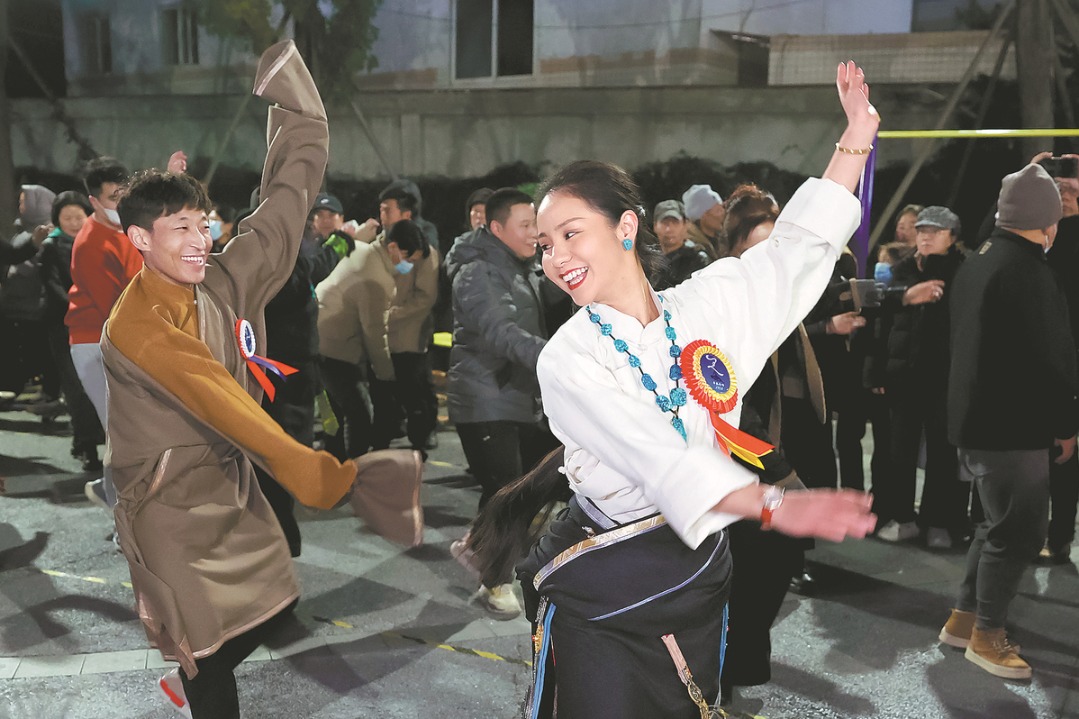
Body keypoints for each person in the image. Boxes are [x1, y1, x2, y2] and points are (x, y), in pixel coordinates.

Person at [517, 61, 878, 718]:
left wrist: (855, 136)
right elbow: (658, 457)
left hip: (696, 578)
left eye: (570, 233)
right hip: (611, 587)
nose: (554, 257)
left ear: (625, 228)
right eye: (544, 244)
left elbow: (790, 254)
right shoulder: (569, 358)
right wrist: (769, 503)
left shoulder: (702, 306)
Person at [101, 41, 357, 718]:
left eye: (201, 223)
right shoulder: (136, 325)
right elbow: (217, 397)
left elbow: (283, 204)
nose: (197, 238)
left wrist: (299, 112)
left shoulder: (220, 280)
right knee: (210, 656)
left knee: (280, 602)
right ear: (137, 240)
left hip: (226, 488)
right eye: (177, 227)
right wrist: (304, 466)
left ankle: (186, 674)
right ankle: (191, 677)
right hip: (166, 508)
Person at [939, 163, 1076, 680]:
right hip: (1012, 426)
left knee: (993, 525)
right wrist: (1065, 423)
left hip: (976, 419)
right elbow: (1052, 359)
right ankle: (987, 636)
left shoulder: (980, 260)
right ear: (1047, 221)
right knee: (1018, 532)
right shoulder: (1030, 271)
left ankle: (963, 619)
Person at [446, 187, 559, 618]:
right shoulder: (477, 272)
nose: (535, 233)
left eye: (537, 224)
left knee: (529, 481)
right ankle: (495, 581)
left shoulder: (522, 266)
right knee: (508, 492)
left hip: (513, 395)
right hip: (485, 398)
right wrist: (555, 357)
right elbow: (499, 331)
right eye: (526, 225)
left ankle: (476, 545)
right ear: (496, 228)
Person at [872, 206, 966, 548]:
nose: (925, 235)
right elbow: (881, 326)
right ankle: (903, 517)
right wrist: (876, 373)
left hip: (944, 379)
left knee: (943, 454)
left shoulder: (963, 273)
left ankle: (937, 522)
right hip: (903, 378)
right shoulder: (902, 270)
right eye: (923, 229)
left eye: (936, 231)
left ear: (952, 237)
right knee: (900, 453)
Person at [316, 218, 430, 458]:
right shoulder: (376, 279)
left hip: (317, 344)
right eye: (408, 259)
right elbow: (374, 332)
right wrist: (386, 373)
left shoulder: (363, 251)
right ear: (392, 248)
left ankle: (330, 463)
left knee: (331, 413)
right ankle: (354, 469)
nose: (408, 265)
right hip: (333, 350)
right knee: (358, 415)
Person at [66, 155, 139, 507]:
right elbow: (116, 306)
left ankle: (117, 500)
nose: (121, 204)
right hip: (96, 342)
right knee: (124, 432)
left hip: (126, 336)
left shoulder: (130, 227)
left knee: (132, 432)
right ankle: (122, 515)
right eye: (113, 199)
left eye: (124, 195)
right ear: (93, 201)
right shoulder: (90, 243)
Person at [38, 191, 104, 470]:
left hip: (98, 322)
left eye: (79, 216)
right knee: (77, 387)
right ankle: (87, 445)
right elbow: (52, 286)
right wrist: (80, 306)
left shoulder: (95, 242)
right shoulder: (52, 246)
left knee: (100, 385)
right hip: (64, 323)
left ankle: (93, 440)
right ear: (57, 220)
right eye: (68, 218)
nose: (75, 223)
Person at [1042, 153, 1079, 565]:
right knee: (1060, 453)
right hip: (1057, 356)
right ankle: (1058, 535)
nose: (1064, 193)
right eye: (1059, 188)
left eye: (1070, 187)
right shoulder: (1044, 237)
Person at [652, 199, 711, 290]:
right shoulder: (648, 260)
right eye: (665, 223)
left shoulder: (697, 259)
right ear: (655, 226)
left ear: (685, 225)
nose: (669, 229)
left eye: (675, 222)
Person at [682, 183, 726, 260]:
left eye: (722, 208)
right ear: (703, 215)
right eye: (718, 211)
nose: (723, 213)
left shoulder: (722, 241)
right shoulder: (692, 252)